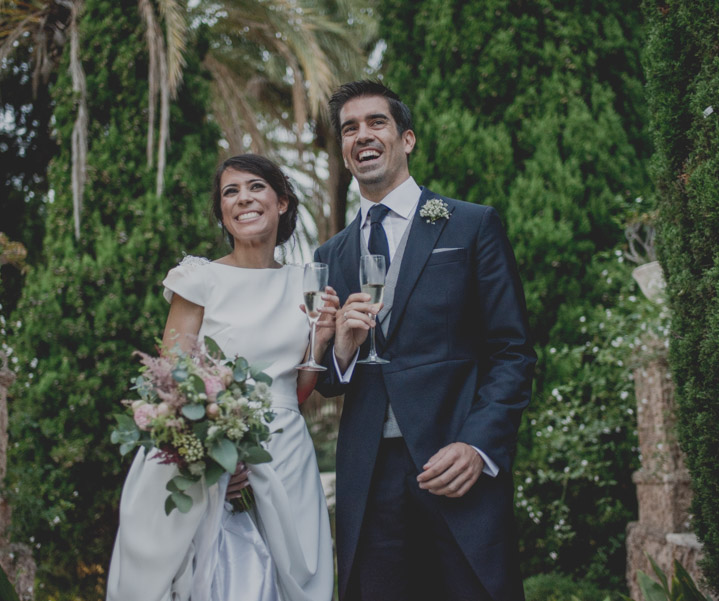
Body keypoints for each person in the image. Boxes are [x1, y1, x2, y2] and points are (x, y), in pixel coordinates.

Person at [314, 81, 536, 601]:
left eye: (376, 123)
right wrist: (341, 350)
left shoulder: (472, 225)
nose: (362, 136)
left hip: (453, 462)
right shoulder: (331, 254)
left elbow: (512, 350)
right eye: (350, 129)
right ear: (345, 152)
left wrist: (479, 445)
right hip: (369, 479)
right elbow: (324, 381)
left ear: (406, 139)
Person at [107, 154, 336, 601]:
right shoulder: (199, 279)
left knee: (292, 581)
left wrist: (321, 343)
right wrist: (211, 461)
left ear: (282, 202)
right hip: (208, 457)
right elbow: (170, 384)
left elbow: (297, 390)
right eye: (231, 192)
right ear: (222, 213)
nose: (243, 199)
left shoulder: (307, 281)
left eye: (255, 187)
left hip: (286, 453)